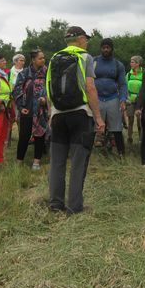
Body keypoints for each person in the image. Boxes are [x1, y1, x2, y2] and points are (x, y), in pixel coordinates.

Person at [46, 26, 104, 214]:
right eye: (86, 39)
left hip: (58, 115)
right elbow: (90, 87)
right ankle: (74, 207)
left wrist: (50, 114)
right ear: (79, 39)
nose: (86, 42)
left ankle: (55, 204)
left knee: (57, 162)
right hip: (80, 114)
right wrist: (98, 117)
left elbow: (48, 89)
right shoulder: (85, 57)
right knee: (78, 162)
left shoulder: (54, 58)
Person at [13, 49, 49, 170]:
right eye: (40, 58)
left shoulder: (47, 73)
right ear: (33, 60)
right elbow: (16, 90)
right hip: (27, 110)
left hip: (41, 111)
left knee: (40, 135)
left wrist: (46, 99)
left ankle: (36, 162)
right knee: (24, 136)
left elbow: (51, 90)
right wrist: (20, 107)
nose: (43, 60)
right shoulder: (24, 73)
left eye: (43, 58)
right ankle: (19, 162)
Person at [93, 38, 127, 156]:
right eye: (103, 47)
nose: (106, 50)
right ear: (101, 48)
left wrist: (123, 99)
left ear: (111, 49)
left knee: (116, 128)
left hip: (113, 98)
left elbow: (122, 84)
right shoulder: (94, 61)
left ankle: (121, 153)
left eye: (108, 47)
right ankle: (88, 153)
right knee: (94, 127)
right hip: (96, 98)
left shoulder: (118, 64)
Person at [7, 54, 26, 145]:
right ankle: (7, 140)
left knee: (20, 119)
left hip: (23, 99)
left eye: (23, 60)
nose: (23, 62)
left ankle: (22, 139)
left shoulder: (26, 72)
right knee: (10, 119)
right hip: (11, 99)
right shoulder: (9, 72)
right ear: (15, 61)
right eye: (21, 60)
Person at [125, 55, 144, 144]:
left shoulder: (144, 73)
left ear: (138, 63)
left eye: (132, 62)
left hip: (140, 100)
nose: (130, 64)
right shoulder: (128, 74)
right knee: (130, 119)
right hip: (130, 100)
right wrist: (127, 97)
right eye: (131, 62)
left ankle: (141, 138)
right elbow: (124, 86)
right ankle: (129, 138)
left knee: (140, 119)